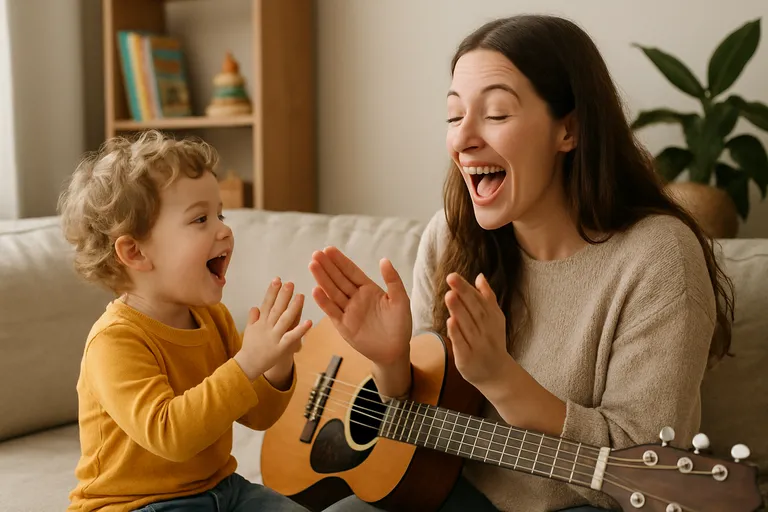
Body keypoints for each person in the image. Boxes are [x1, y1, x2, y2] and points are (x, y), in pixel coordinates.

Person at [309, 14, 733, 512]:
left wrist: (501, 380)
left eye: (495, 114)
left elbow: (645, 471)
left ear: (568, 130)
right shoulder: (450, 235)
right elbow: (420, 432)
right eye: (453, 115)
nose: (462, 139)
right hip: (458, 492)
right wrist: (391, 363)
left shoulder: (658, 257)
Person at [59, 130, 312, 512]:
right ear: (135, 251)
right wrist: (248, 363)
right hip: (134, 505)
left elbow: (257, 416)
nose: (224, 229)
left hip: (222, 490)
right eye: (200, 219)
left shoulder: (213, 319)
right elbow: (170, 435)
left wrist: (276, 364)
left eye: (220, 214)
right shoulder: (114, 342)